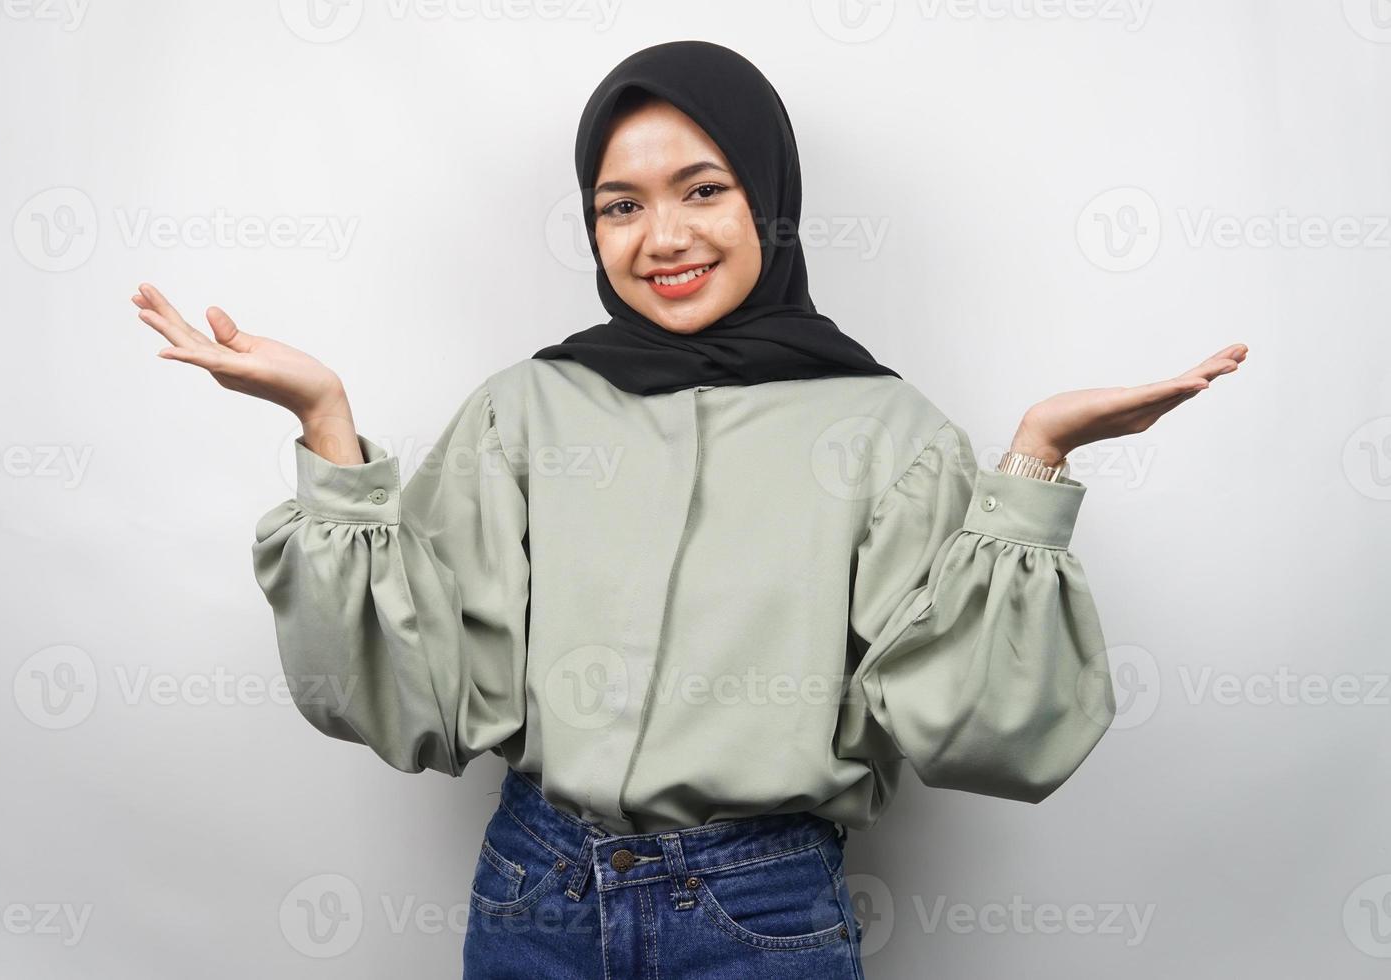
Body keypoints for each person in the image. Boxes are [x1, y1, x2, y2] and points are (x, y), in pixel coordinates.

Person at [132, 38, 1246, 980]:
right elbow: (411, 693)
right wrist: (327, 422)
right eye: (622, 205)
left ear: (767, 194)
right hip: (536, 890)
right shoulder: (523, 408)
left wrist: (1034, 466)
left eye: (702, 190)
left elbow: (983, 728)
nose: (662, 238)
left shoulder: (883, 428)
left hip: (760, 911)